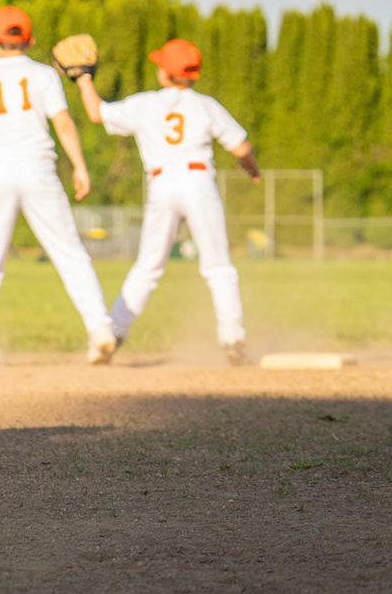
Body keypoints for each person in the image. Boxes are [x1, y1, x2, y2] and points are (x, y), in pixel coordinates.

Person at [69, 37, 261, 365]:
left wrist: (83, 79)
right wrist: (252, 169)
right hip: (199, 181)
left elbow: (97, 113)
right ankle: (232, 338)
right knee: (218, 266)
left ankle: (114, 331)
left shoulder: (145, 104)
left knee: (148, 266)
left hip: (162, 183)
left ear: (164, 73)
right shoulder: (205, 105)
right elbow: (241, 147)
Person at [0, 7, 118, 365]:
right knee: (69, 252)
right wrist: (79, 166)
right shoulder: (44, 75)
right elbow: (63, 123)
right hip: (38, 169)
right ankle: (100, 328)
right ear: (30, 41)